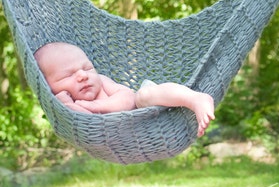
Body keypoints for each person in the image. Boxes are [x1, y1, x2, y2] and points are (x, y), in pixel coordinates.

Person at [34, 42, 215, 137]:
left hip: (143, 109)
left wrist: (98, 106)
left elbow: (127, 97)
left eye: (87, 68)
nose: (82, 75)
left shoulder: (101, 82)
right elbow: (79, 118)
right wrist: (66, 103)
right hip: (134, 136)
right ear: (47, 86)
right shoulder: (64, 104)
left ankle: (194, 98)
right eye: (68, 75)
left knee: (145, 94)